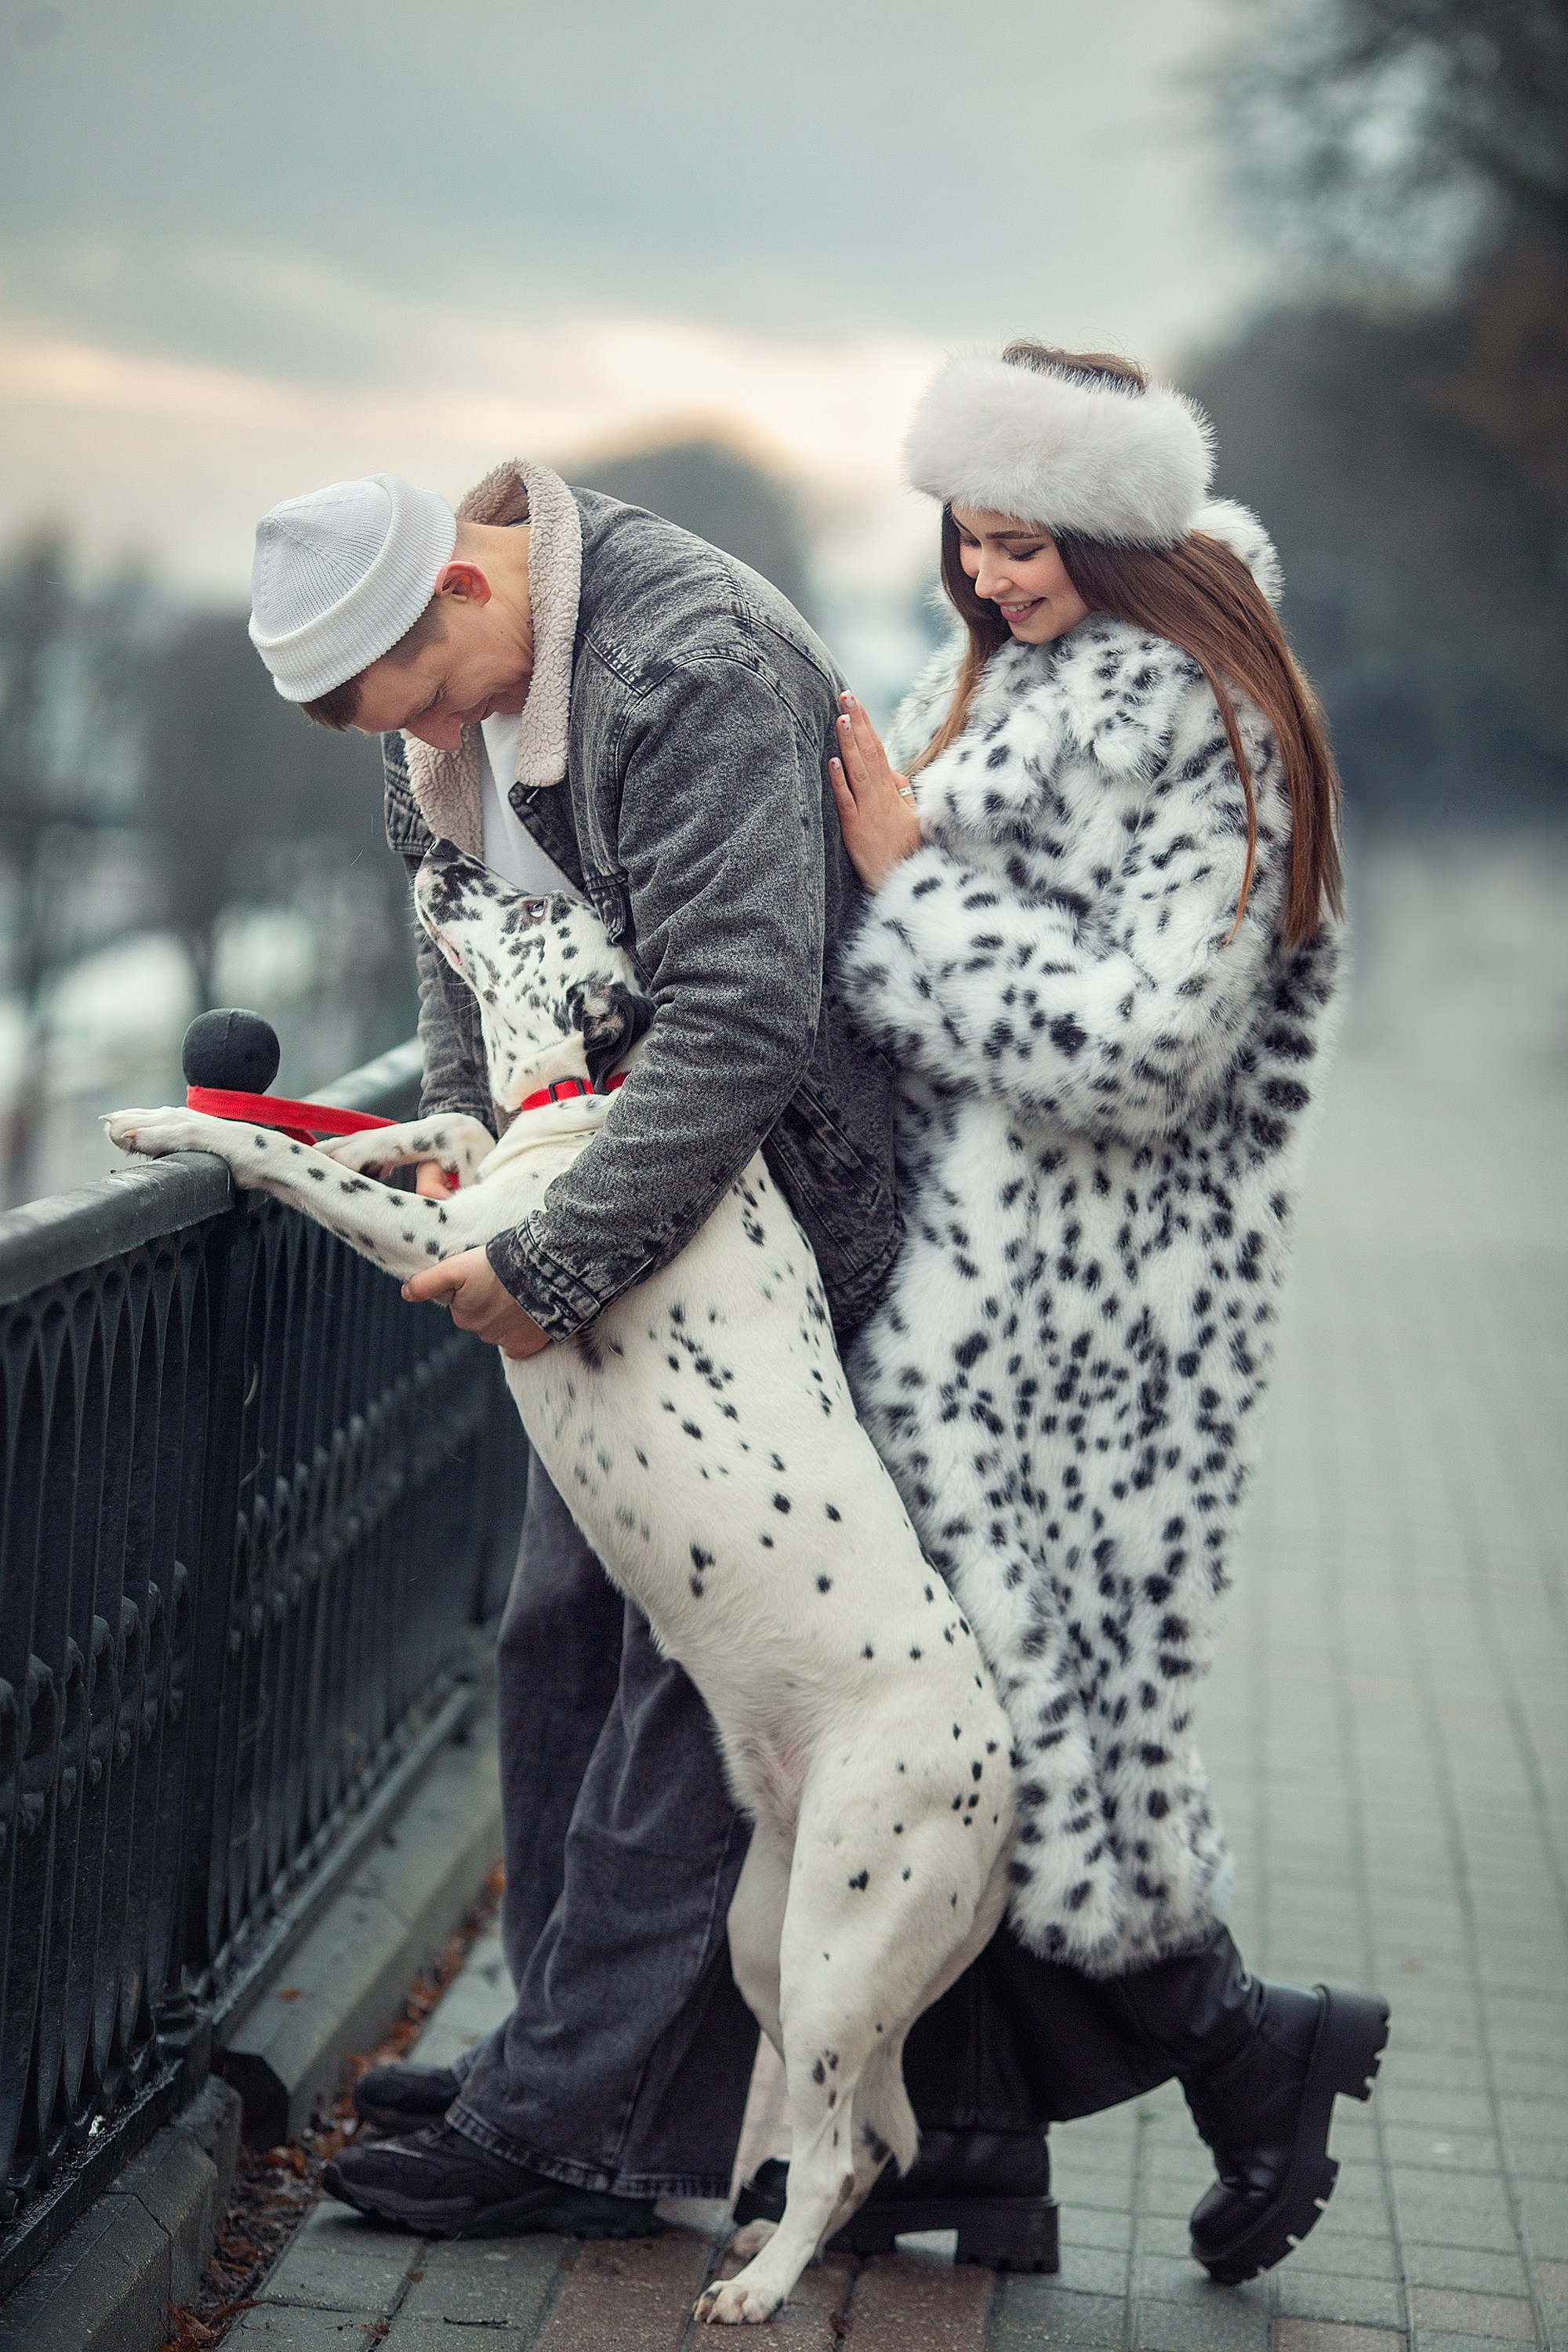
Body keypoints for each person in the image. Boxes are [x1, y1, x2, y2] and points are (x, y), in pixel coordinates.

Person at [745, 343, 1391, 2288]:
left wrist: (907, 886)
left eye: (1021, 540)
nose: (985, 572)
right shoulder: (1060, 685)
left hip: (1089, 1323)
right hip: (1000, 1297)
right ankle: (985, 2151)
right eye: (966, 535)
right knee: (997, 1719)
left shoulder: (1203, 717)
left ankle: (1240, 2044)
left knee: (1030, 1717)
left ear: (1119, 536)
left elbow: (1148, 1041)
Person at [244, 458, 904, 2235]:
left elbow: (746, 1011)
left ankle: (579, 2128)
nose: (412, 742)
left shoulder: (682, 664)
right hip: (614, 1230)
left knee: (676, 1689)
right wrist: (470, 1150)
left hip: (776, 1236)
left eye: (413, 699)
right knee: (556, 1634)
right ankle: (559, 2059)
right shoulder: (445, 703)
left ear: (459, 592)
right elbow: (458, 961)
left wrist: (548, 1254)